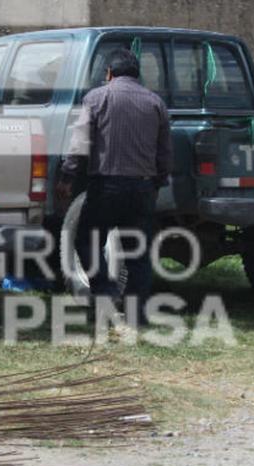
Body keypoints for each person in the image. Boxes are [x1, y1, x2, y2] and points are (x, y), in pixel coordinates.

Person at [58, 48, 172, 323]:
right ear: (137, 75)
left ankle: (106, 293)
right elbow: (164, 152)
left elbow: (79, 144)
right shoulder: (155, 102)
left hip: (106, 187)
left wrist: (67, 176)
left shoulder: (96, 98)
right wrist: (157, 182)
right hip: (142, 188)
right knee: (138, 253)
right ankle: (137, 314)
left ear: (109, 73)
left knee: (86, 240)